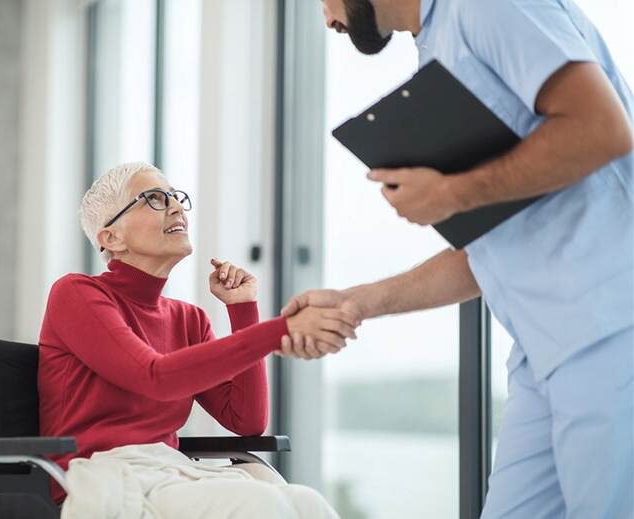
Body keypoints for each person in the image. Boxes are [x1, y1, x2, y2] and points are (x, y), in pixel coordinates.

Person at [280, 0, 634, 517]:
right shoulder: (437, 55)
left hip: (608, 329)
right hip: (544, 357)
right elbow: (490, 253)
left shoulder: (488, 6)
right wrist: (356, 303)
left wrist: (455, 192)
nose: (327, 18)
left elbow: (604, 128)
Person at [39, 161, 349, 518]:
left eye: (176, 197)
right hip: (101, 474)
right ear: (112, 237)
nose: (175, 206)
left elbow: (246, 421)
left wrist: (243, 310)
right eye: (154, 198)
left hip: (167, 469)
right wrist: (281, 330)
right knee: (261, 504)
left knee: (307, 503)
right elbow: (154, 377)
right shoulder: (76, 293)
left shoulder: (188, 319)